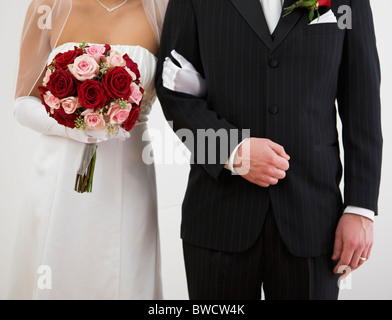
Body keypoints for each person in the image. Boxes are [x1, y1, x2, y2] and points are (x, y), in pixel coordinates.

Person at [157, 0, 382, 300]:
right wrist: (231, 151)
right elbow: (173, 87)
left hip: (314, 219)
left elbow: (362, 104)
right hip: (218, 216)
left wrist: (360, 208)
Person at [8, 0, 204, 300]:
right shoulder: (47, 7)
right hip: (59, 172)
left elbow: (185, 92)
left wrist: (198, 87)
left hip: (128, 172)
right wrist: (75, 127)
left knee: (123, 272)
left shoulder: (164, 10)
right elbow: (23, 103)